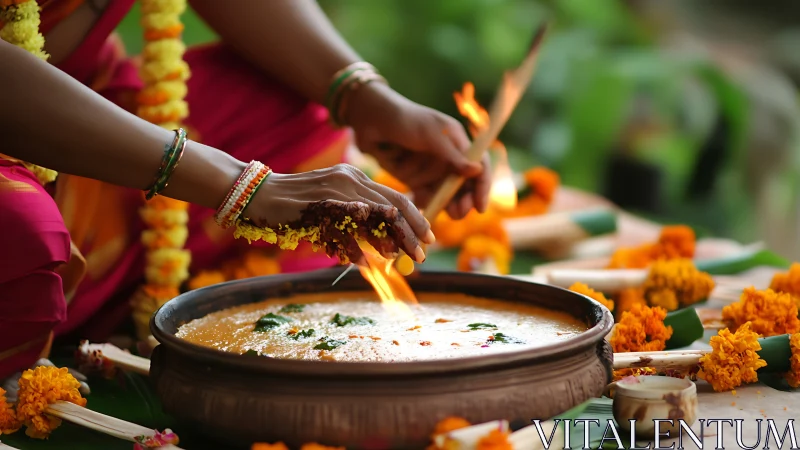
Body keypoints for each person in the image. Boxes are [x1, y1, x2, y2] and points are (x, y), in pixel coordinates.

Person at [0, 0, 491, 381]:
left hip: (86, 108)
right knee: (24, 230)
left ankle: (123, 289)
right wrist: (241, 186)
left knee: (297, 113)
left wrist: (365, 100)